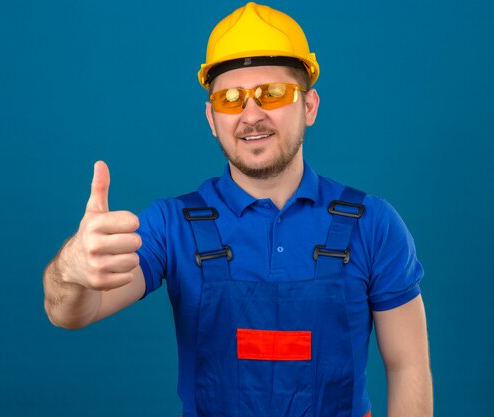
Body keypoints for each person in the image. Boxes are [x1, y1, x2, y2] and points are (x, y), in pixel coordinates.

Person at [43, 2, 433, 416]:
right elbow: (71, 313)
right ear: (212, 118)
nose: (251, 115)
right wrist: (72, 269)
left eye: (273, 93)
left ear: (310, 106)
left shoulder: (373, 225)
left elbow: (408, 364)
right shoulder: (172, 227)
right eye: (230, 99)